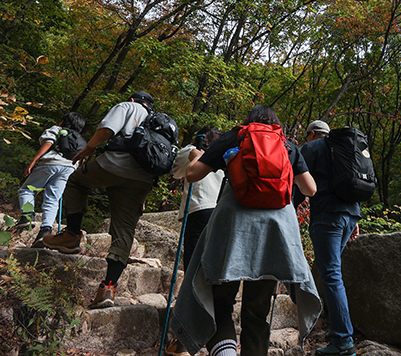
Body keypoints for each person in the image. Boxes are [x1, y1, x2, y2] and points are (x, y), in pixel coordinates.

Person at [170, 105, 321, 356]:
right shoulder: (287, 145)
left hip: (232, 228)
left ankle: (224, 352)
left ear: (249, 121)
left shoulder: (235, 137)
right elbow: (310, 189)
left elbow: (193, 175)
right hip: (276, 233)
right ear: (275, 124)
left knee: (220, 301)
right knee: (258, 309)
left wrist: (199, 156)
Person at [43, 91, 159, 309]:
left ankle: (72, 235)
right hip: (142, 179)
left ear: (133, 100)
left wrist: (89, 148)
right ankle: (107, 288)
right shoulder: (158, 123)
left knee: (76, 181)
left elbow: (108, 129)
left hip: (114, 164)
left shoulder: (128, 106)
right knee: (124, 231)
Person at [297, 120, 360, 356]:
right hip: (350, 215)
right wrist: (355, 219)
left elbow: (298, 185)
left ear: (311, 134)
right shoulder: (345, 148)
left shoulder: (311, 148)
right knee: (334, 274)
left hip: (327, 217)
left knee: (332, 276)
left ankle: (343, 342)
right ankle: (338, 335)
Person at [164, 126, 222, 356]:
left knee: (192, 272)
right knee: (211, 274)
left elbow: (175, 171)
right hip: (221, 214)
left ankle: (183, 341)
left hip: (198, 212)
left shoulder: (191, 150)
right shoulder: (224, 154)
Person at [14, 112, 86, 247]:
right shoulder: (80, 139)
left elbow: (48, 143)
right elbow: (82, 158)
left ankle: (27, 216)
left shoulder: (57, 130)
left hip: (50, 163)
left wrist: (34, 161)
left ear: (63, 121)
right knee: (53, 198)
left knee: (26, 190)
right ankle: (45, 231)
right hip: (69, 168)